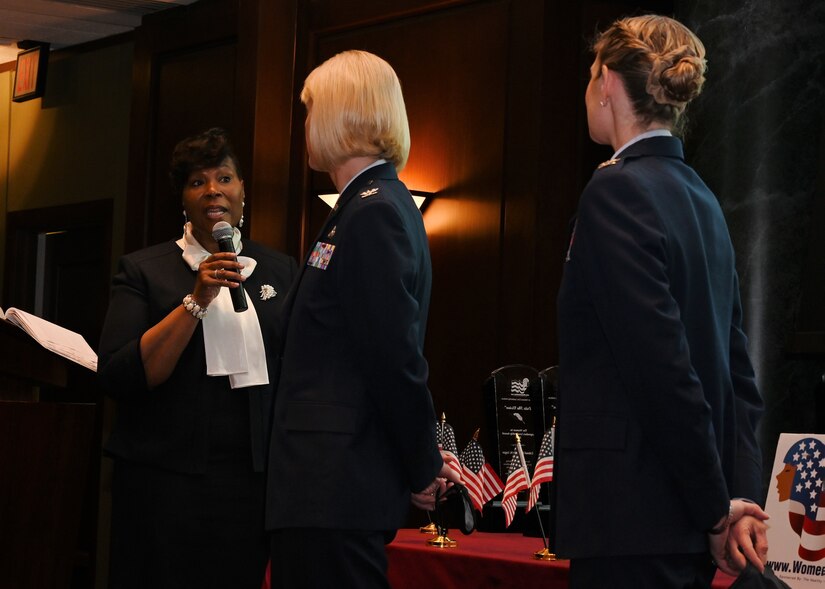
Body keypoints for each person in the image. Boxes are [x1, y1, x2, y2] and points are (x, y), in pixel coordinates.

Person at [554, 15, 769, 588]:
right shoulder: (703, 198)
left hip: (632, 518)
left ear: (606, 83)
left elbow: (661, 371)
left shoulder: (615, 190)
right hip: (680, 517)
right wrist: (735, 495)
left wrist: (716, 510)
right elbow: (736, 371)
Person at [265, 50, 459, 588]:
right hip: (327, 486)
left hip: (334, 486)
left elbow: (392, 355)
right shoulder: (364, 206)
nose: (305, 126)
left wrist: (419, 463)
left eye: (311, 111)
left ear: (339, 114)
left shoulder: (373, 211)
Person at [98, 128, 297, 589]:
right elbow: (119, 374)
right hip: (165, 486)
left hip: (252, 487)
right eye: (197, 182)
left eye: (225, 178)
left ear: (242, 191)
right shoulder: (144, 271)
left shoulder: (280, 270)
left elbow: (297, 371)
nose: (213, 190)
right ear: (183, 201)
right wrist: (197, 299)